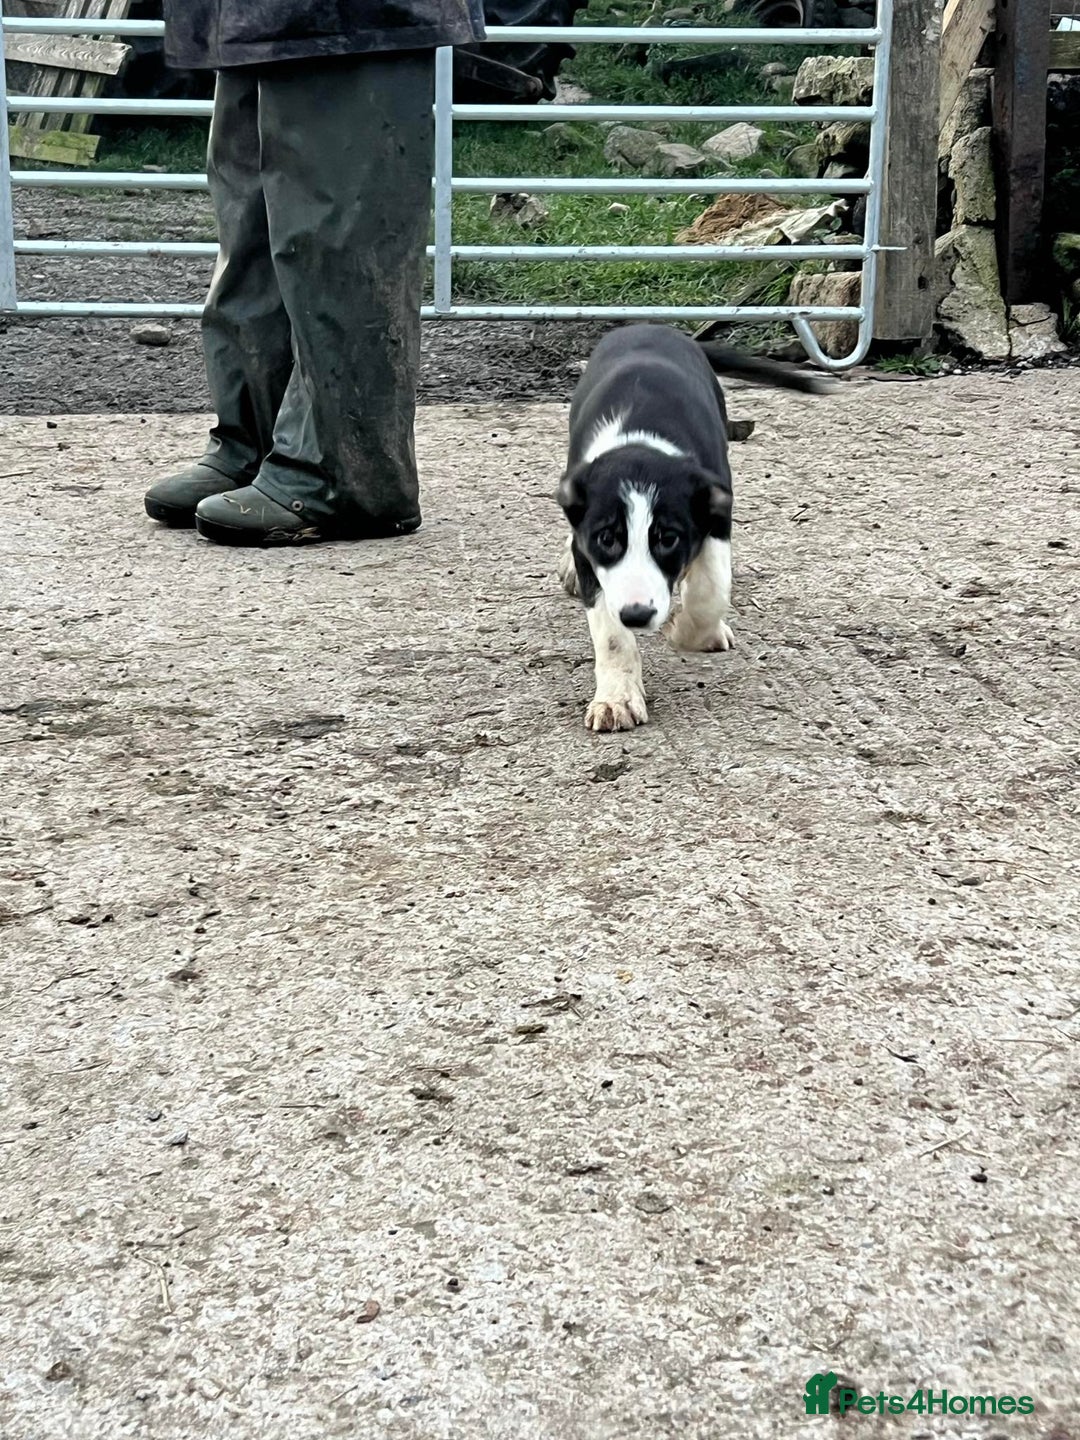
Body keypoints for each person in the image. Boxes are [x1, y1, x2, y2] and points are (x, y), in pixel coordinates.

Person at [146, 0, 484, 545]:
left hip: (350, 19)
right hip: (250, 19)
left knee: (334, 230)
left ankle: (337, 474)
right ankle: (254, 442)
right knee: (252, 225)